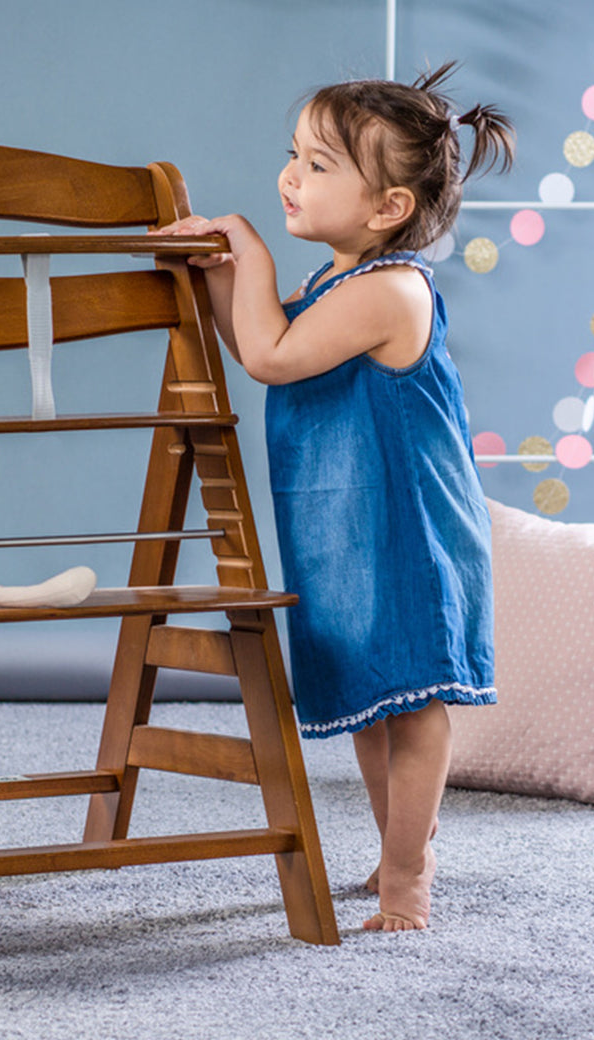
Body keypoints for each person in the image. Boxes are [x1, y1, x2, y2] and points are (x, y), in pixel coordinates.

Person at [158, 63, 514, 932]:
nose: (291, 176)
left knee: (415, 700)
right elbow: (259, 336)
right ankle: (398, 848)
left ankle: (408, 875)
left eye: (318, 165)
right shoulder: (334, 284)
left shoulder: (389, 291)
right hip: (345, 527)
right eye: (293, 155)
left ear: (387, 208)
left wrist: (246, 240)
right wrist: (215, 266)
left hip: (406, 527)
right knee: (368, 695)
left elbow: (272, 355)